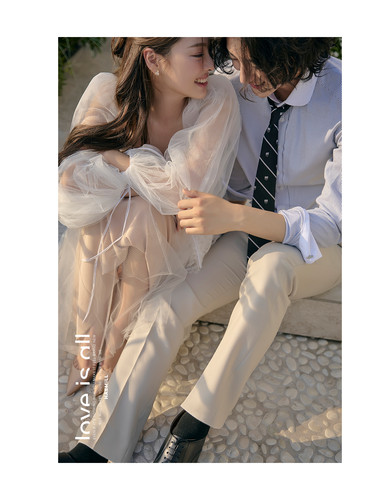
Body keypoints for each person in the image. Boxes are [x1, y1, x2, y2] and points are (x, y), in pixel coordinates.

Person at [59, 37, 341, 463]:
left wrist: (236, 216)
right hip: (239, 229)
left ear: (289, 51)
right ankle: (98, 448)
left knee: (271, 271)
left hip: (316, 247)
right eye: (236, 61)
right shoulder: (235, 79)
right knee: (166, 303)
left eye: (251, 64)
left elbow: (332, 222)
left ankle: (194, 422)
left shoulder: (348, 98)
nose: (241, 78)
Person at [58, 36, 240, 447]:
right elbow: (70, 183)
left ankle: (112, 347)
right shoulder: (108, 91)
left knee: (142, 214)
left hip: (185, 234)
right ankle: (90, 345)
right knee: (117, 216)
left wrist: (119, 160)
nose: (210, 66)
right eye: (198, 54)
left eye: (210, 52)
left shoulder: (215, 99)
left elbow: (183, 194)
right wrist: (143, 187)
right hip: (115, 226)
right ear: (153, 60)